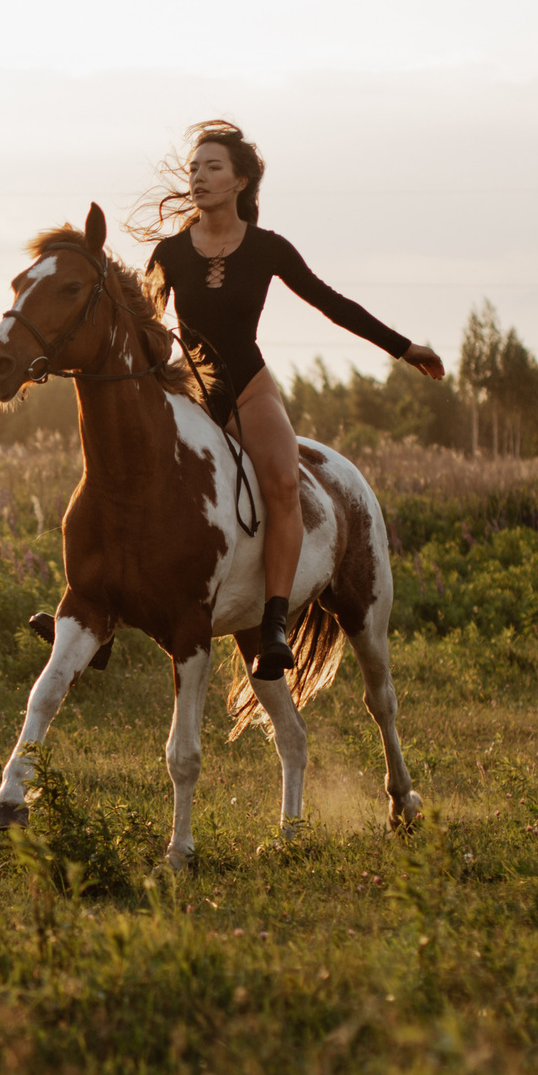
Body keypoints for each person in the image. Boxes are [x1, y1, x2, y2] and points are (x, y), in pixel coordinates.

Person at [138, 120, 446, 679]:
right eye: (194, 168)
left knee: (282, 484)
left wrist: (405, 348)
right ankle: (100, 613)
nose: (199, 177)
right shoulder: (170, 253)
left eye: (212, 167)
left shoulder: (267, 249)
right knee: (124, 467)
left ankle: (276, 622)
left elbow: (332, 303)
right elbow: (142, 324)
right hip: (191, 392)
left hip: (249, 389)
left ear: (240, 181)